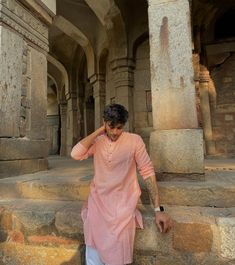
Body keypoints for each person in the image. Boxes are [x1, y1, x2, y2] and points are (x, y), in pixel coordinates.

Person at [71, 104, 173, 265]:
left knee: (119, 257)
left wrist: (158, 210)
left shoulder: (134, 140)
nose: (115, 132)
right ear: (105, 123)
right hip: (97, 204)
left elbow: (147, 172)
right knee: (93, 258)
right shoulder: (98, 141)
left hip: (122, 207)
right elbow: (75, 154)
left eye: (119, 128)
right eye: (111, 127)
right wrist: (100, 131)